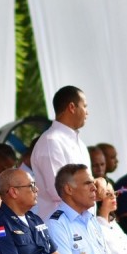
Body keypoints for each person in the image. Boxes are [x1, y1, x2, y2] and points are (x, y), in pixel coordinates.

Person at [31, 86, 91, 219]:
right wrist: (95, 187)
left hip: (83, 222)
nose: (87, 112)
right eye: (85, 106)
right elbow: (58, 191)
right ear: (72, 107)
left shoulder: (80, 143)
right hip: (60, 223)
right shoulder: (51, 141)